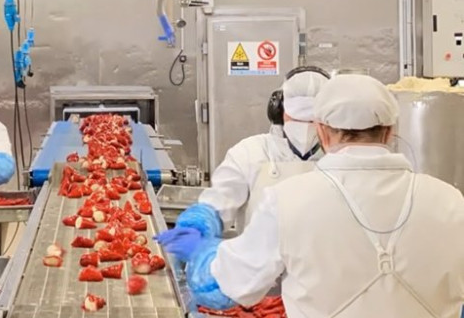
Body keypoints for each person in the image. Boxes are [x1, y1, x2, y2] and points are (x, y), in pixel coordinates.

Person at [158, 74, 464, 317]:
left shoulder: (287, 202)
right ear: (389, 131)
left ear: (322, 130)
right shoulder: (451, 201)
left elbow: (217, 288)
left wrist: (202, 253)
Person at [172, 66, 330, 245]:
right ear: (279, 111)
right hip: (261, 261)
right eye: (297, 118)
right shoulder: (250, 153)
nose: (306, 126)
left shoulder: (343, 158)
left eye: (313, 120)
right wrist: (198, 227)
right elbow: (218, 203)